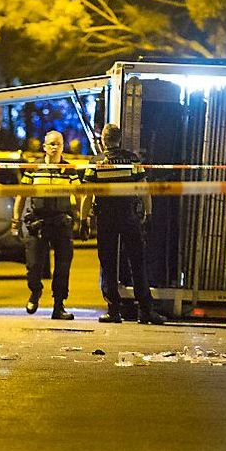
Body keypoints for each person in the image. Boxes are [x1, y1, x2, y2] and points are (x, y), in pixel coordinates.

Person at [82, 123, 166, 325]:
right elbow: (144, 188)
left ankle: (113, 311)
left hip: (106, 219)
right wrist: (149, 214)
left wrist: (83, 219)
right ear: (119, 139)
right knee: (137, 263)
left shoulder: (96, 162)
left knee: (109, 265)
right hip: (130, 218)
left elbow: (86, 194)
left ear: (103, 140)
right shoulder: (132, 159)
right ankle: (146, 310)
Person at [12, 130, 79, 320]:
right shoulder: (33, 169)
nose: (54, 147)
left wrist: (84, 219)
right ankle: (35, 291)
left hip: (61, 223)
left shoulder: (69, 169)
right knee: (33, 265)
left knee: (63, 267)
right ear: (44, 147)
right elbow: (21, 195)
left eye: (58, 143)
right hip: (38, 223)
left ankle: (59, 306)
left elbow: (81, 194)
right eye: (51, 144)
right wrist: (15, 221)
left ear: (63, 146)